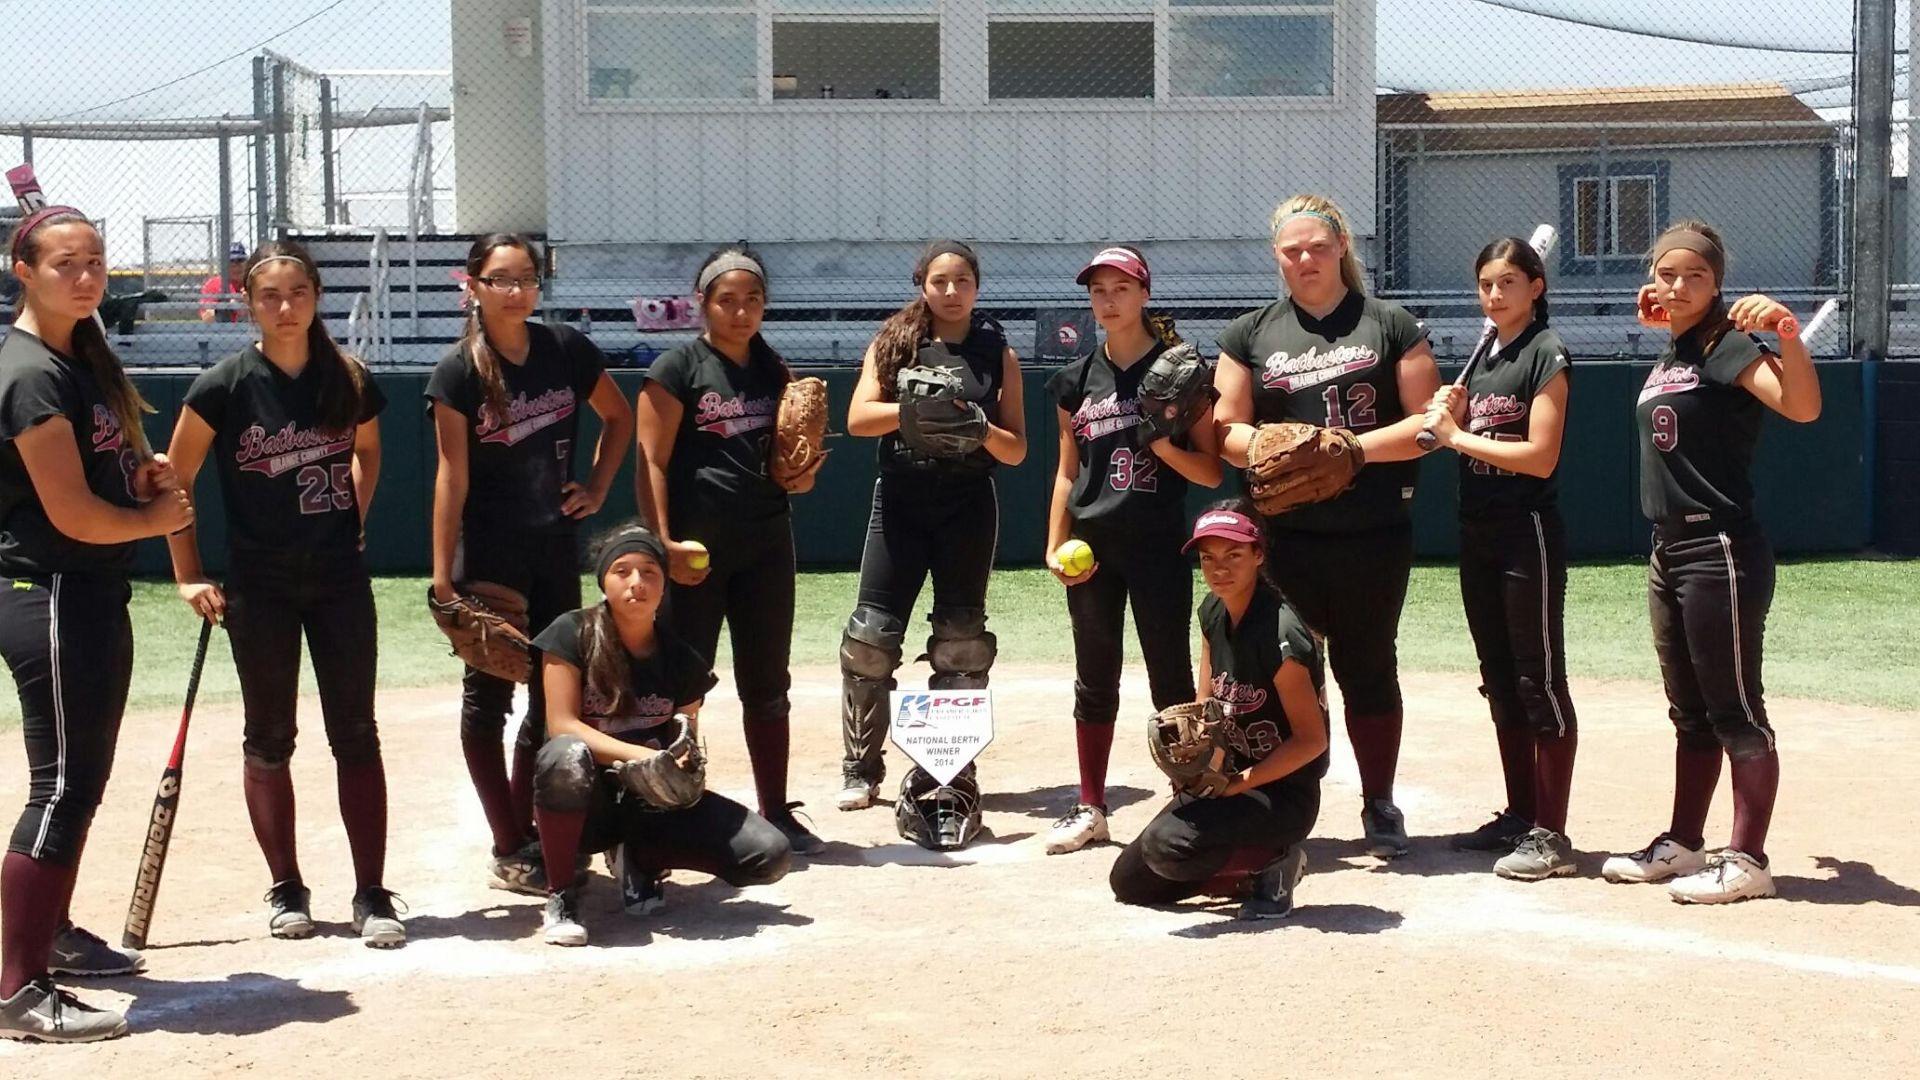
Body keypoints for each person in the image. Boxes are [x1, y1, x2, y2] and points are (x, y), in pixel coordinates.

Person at [163, 240, 404, 945]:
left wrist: (354, 515)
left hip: (338, 580)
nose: (285, 306)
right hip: (259, 584)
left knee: (356, 733)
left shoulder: (347, 376)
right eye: (269, 295)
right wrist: (188, 572)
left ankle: (372, 893)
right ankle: (287, 886)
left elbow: (369, 450)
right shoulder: (224, 385)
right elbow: (175, 480)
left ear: (317, 296)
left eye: (297, 292)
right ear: (248, 303)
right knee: (269, 738)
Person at [0, 205, 194, 1042]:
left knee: (78, 780)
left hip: (82, 589)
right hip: (48, 587)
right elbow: (70, 513)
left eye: (95, 262)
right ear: (24, 272)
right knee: (63, 785)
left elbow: (98, 478)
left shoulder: (79, 353)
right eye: (63, 265)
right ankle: (16, 987)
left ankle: (49, 936)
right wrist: (157, 524)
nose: (84, 277)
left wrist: (138, 477)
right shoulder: (31, 371)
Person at [1213, 193, 1440, 857]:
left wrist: (1351, 451)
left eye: (1317, 246)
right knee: (1285, 675)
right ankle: (1286, 809)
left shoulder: (1389, 323)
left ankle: (1379, 802)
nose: (1305, 258)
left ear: (1342, 247)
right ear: (1276, 257)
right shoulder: (1251, 332)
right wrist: (1264, 448)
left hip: (1372, 533)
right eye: (1292, 250)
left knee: (1369, 669)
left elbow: (1430, 422)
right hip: (1283, 541)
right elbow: (1223, 426)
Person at [1601, 220, 1820, 904]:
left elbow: (1802, 406)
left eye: (1695, 274)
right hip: (1671, 547)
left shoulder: (1728, 344)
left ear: (1717, 281)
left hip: (1719, 547)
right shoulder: (1680, 349)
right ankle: (1685, 845)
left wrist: (1785, 334)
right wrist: (1674, 323)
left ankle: (1749, 858)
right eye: (1668, 273)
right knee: (1689, 711)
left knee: (1735, 709)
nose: (1678, 284)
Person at [426, 233, 634, 893]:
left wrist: (597, 486)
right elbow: (450, 477)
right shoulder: (458, 371)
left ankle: (535, 830)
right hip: (489, 556)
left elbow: (618, 418)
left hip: (553, 548)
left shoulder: (565, 348)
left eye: (526, 279)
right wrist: (440, 578)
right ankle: (507, 842)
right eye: (501, 279)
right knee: (487, 698)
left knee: (550, 704)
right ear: (474, 286)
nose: (516, 291)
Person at [634, 247, 824, 855]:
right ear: (703, 304)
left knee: (768, 682)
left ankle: (776, 810)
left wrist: (803, 474)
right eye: (727, 300)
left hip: (767, 541)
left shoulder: (773, 369)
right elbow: (651, 462)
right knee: (681, 685)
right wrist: (662, 543)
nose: (741, 312)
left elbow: (792, 459)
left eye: (753, 300)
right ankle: (666, 810)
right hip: (697, 547)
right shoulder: (677, 368)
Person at [528, 523, 791, 945]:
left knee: (769, 856)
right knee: (566, 755)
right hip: (588, 801)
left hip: (648, 806)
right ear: (603, 582)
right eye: (622, 571)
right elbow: (562, 725)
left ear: (665, 584)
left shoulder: (680, 657)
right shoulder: (570, 632)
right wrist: (637, 756)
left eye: (649, 571)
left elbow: (685, 740)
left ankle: (641, 856)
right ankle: (561, 893)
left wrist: (682, 769)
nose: (637, 582)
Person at [835, 240, 1027, 814]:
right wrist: (914, 409)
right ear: (923, 284)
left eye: (961, 281)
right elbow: (858, 419)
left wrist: (977, 424)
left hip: (967, 500)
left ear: (976, 287)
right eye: (939, 281)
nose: (950, 291)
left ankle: (951, 763)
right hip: (901, 498)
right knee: (871, 639)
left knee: (962, 640)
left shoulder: (998, 353)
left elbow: (1016, 450)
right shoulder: (895, 343)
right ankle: (860, 770)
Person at [1041, 245, 1220, 854]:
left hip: (1156, 544)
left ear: (1145, 294)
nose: (1109, 300)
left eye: (1121, 288)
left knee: (1169, 675)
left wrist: (1162, 445)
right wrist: (1054, 542)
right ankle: (1092, 805)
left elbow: (1210, 472)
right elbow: (1068, 472)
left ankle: (1185, 797)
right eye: (1098, 290)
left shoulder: (1180, 372)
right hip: (1092, 548)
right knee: (1094, 677)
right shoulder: (1075, 380)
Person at [1422, 237, 1578, 879]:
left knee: (1538, 679)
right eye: (1486, 283)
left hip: (1526, 530)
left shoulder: (1546, 352)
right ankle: (1519, 813)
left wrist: (1458, 436)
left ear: (1535, 287)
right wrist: (1453, 416)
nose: (1495, 294)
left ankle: (1552, 831)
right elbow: (1471, 436)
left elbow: (1540, 455)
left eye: (1509, 282)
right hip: (1478, 530)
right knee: (1500, 677)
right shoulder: (1485, 356)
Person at [1109, 503, 1328, 920]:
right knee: (1131, 882)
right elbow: (1206, 710)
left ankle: (1275, 862)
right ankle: (1245, 878)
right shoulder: (1213, 611)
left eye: (1233, 556)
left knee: (1166, 846)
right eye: (1208, 557)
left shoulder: (1282, 633)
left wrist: (1236, 784)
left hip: (1283, 794)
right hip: (1228, 781)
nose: (1218, 569)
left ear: (1259, 555)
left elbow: (1312, 741)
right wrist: (1196, 766)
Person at [199, 242, 247, 323]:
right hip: (221, 332)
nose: (236, 266)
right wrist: (224, 306)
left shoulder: (252, 283)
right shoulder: (213, 284)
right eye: (231, 261)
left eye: (240, 260)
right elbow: (206, 319)